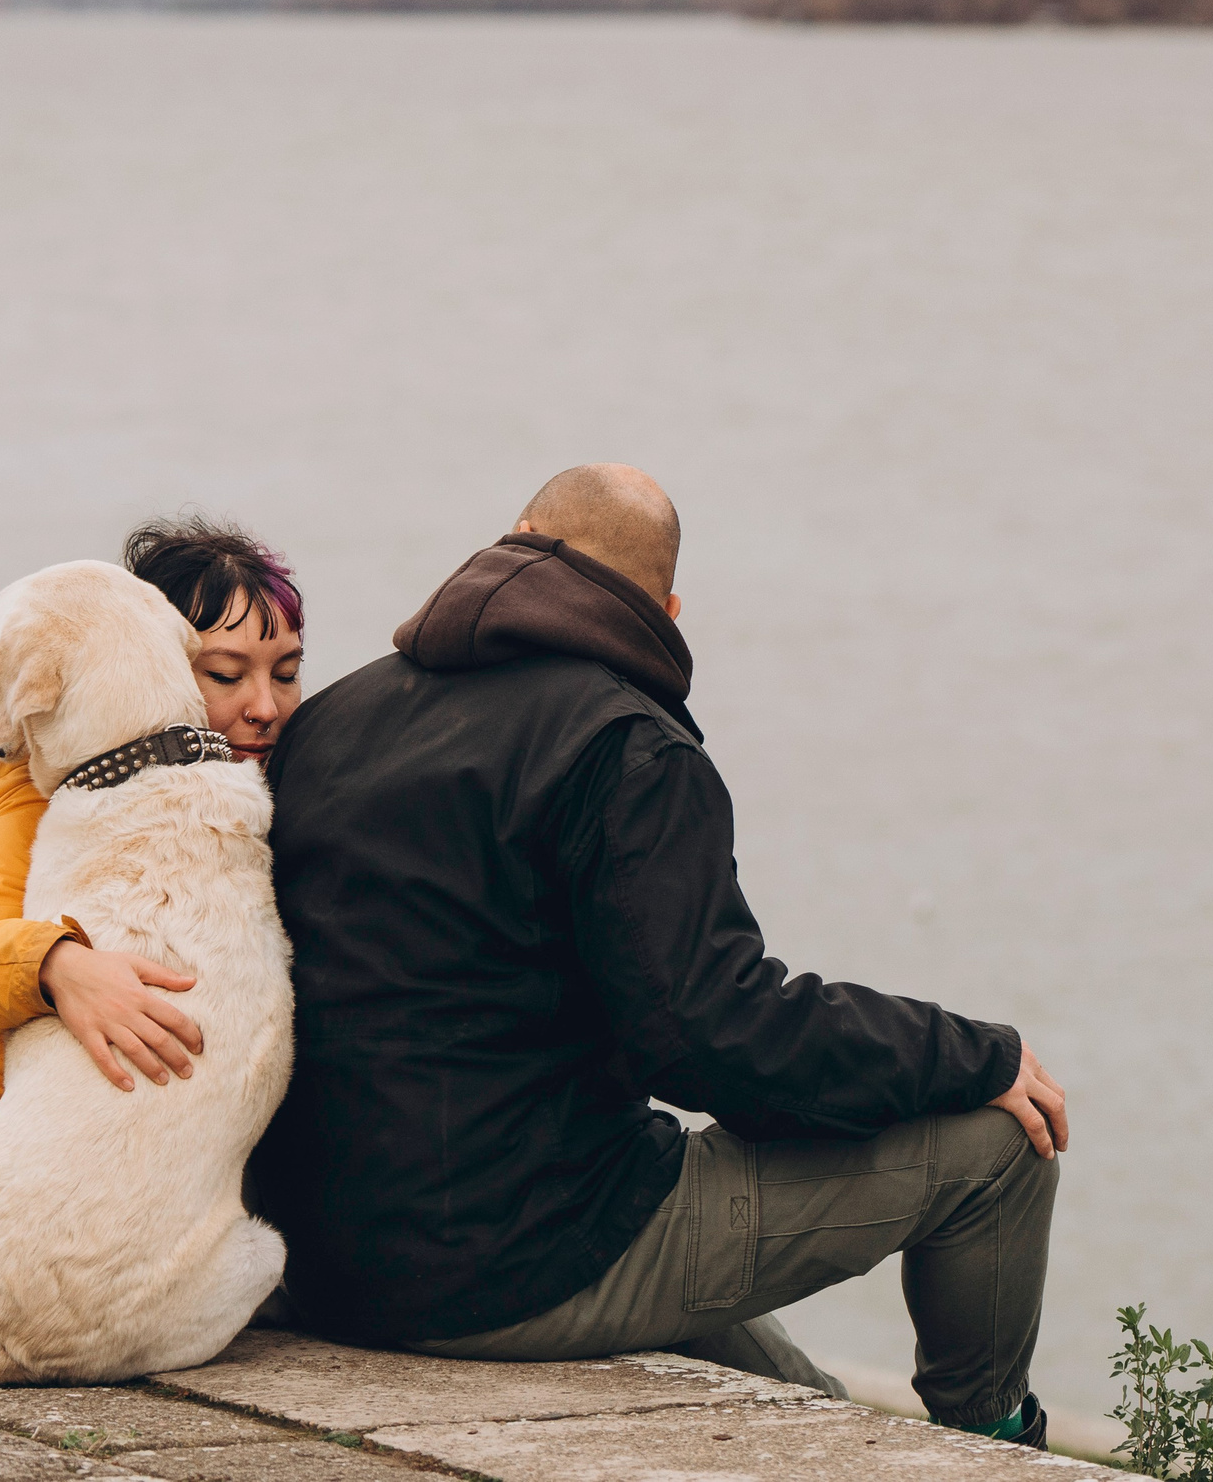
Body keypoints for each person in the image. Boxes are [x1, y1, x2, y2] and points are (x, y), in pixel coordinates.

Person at [252, 464, 1068, 1447]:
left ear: (514, 539)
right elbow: (709, 1037)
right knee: (996, 1144)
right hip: (510, 1260)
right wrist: (966, 1051)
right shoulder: (625, 744)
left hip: (321, 1255)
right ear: (666, 608)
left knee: (818, 1413)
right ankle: (995, 1448)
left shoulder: (331, 719)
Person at [0, 514, 305, 1122]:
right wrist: (55, 966)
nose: (265, 708)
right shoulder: (40, 806)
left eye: (287, 673)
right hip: (10, 1136)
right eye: (224, 676)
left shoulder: (274, 784)